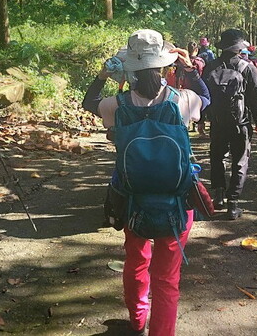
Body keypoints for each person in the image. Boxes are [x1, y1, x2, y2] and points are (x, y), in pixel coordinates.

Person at [82, 30, 207, 336]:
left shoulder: (117, 105)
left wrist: (102, 76)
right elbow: (207, 98)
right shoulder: (183, 100)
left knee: (136, 260)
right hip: (177, 200)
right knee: (167, 278)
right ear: (164, 66)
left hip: (131, 197)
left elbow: (90, 102)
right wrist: (189, 70)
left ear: (130, 69)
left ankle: (138, 320)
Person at [204, 29, 257, 220]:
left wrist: (203, 118)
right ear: (240, 48)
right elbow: (256, 97)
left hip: (217, 121)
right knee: (240, 160)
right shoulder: (247, 67)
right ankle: (233, 204)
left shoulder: (210, 66)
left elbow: (205, 95)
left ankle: (219, 196)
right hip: (241, 123)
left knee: (217, 157)